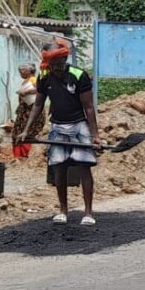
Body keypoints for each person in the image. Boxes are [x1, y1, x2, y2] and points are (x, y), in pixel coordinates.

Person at [17, 39, 101, 226]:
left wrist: (95, 135)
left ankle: (88, 212)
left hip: (79, 125)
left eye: (58, 64)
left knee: (83, 167)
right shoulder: (45, 77)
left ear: (65, 58)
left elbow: (88, 107)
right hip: (58, 126)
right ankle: (63, 210)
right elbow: (38, 105)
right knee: (58, 168)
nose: (55, 68)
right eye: (52, 65)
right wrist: (25, 130)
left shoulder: (79, 75)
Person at [10, 64, 45, 159]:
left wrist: (25, 92)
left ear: (30, 70)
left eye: (23, 70)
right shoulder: (27, 81)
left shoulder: (33, 80)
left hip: (30, 111)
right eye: (20, 70)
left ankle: (22, 155)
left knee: (26, 132)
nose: (21, 72)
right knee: (18, 132)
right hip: (24, 111)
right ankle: (19, 156)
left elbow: (38, 90)